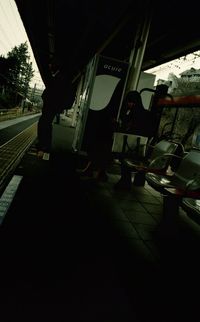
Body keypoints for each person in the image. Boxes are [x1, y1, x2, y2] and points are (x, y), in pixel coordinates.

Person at [114, 90, 157, 189]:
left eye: (129, 102)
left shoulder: (132, 113)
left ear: (133, 102)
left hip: (133, 146)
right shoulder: (146, 113)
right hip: (143, 146)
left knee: (123, 155)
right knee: (129, 156)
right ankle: (138, 180)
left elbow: (126, 128)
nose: (128, 104)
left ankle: (125, 181)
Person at [36, 60, 77, 158]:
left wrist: (51, 102)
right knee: (46, 124)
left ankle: (43, 149)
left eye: (51, 64)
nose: (49, 65)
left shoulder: (60, 77)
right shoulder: (62, 77)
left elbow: (53, 92)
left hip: (52, 105)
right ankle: (44, 149)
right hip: (53, 105)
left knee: (44, 124)